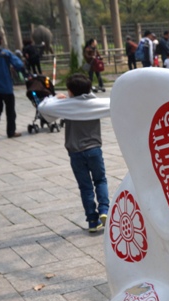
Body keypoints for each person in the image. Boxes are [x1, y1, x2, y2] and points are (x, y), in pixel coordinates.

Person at [38, 73, 110, 233]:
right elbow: (116, 103)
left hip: (75, 152)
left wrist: (56, 98)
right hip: (94, 150)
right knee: (100, 180)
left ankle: (92, 221)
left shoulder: (66, 105)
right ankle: (104, 210)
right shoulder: (94, 104)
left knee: (85, 187)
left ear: (70, 91)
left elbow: (42, 107)